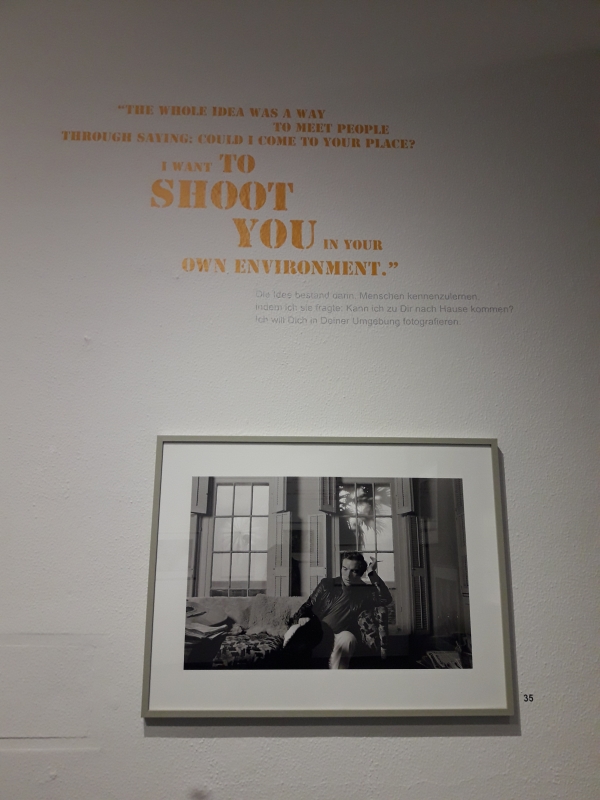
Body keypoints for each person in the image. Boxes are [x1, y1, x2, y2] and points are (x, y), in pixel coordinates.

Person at [283, 552, 392, 669]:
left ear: (360, 572)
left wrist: (371, 572)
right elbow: (308, 605)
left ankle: (336, 677)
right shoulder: (327, 584)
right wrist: (304, 616)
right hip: (317, 632)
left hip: (340, 636)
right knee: (293, 630)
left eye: (354, 571)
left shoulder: (365, 592)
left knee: (348, 638)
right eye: (345, 569)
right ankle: (287, 672)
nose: (348, 575)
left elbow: (385, 598)